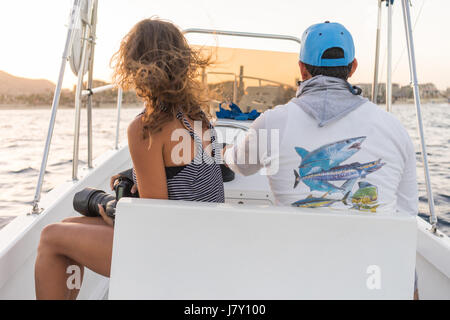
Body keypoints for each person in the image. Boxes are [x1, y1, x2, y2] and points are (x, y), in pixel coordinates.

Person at [223, 21, 419, 298]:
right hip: (373, 282)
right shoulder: (395, 129)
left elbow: (237, 165)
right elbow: (407, 217)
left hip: (298, 278)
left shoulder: (273, 123)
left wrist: (221, 150)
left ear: (302, 68)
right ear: (352, 68)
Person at [34, 18, 224, 300]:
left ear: (134, 66)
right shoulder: (198, 117)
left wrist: (107, 208)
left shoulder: (146, 127)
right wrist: (134, 176)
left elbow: (151, 220)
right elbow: (186, 174)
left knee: (51, 238)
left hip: (176, 254)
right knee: (67, 226)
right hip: (209, 243)